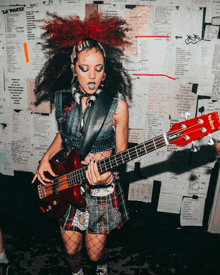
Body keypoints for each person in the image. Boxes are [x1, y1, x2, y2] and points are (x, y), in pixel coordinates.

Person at [32, 12, 132, 275]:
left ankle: (102, 266)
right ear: (73, 68)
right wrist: (45, 158)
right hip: (69, 181)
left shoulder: (116, 106)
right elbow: (63, 136)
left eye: (98, 69)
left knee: (95, 253)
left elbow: (122, 155)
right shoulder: (64, 100)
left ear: (105, 70)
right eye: (85, 68)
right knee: (71, 252)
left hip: (100, 188)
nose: (92, 76)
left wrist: (108, 175)